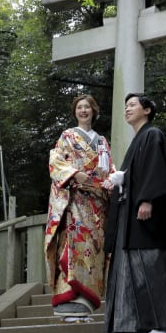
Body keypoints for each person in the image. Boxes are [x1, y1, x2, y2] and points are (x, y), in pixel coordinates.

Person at [103, 93, 166, 333]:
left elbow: (155, 169)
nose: (127, 109)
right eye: (125, 106)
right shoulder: (137, 140)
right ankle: (137, 324)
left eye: (132, 104)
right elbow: (135, 173)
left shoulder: (152, 134)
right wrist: (120, 180)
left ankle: (162, 322)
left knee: (152, 265)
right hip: (131, 216)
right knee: (134, 267)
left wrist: (147, 199)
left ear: (147, 110)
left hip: (146, 213)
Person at [45, 94, 114, 320]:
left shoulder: (102, 141)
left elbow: (109, 168)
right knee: (73, 246)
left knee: (94, 251)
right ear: (75, 112)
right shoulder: (68, 136)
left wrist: (111, 181)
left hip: (98, 203)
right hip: (76, 199)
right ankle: (68, 299)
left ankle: (86, 301)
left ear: (93, 111)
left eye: (87, 107)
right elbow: (56, 161)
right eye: (79, 107)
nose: (83, 111)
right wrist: (75, 174)